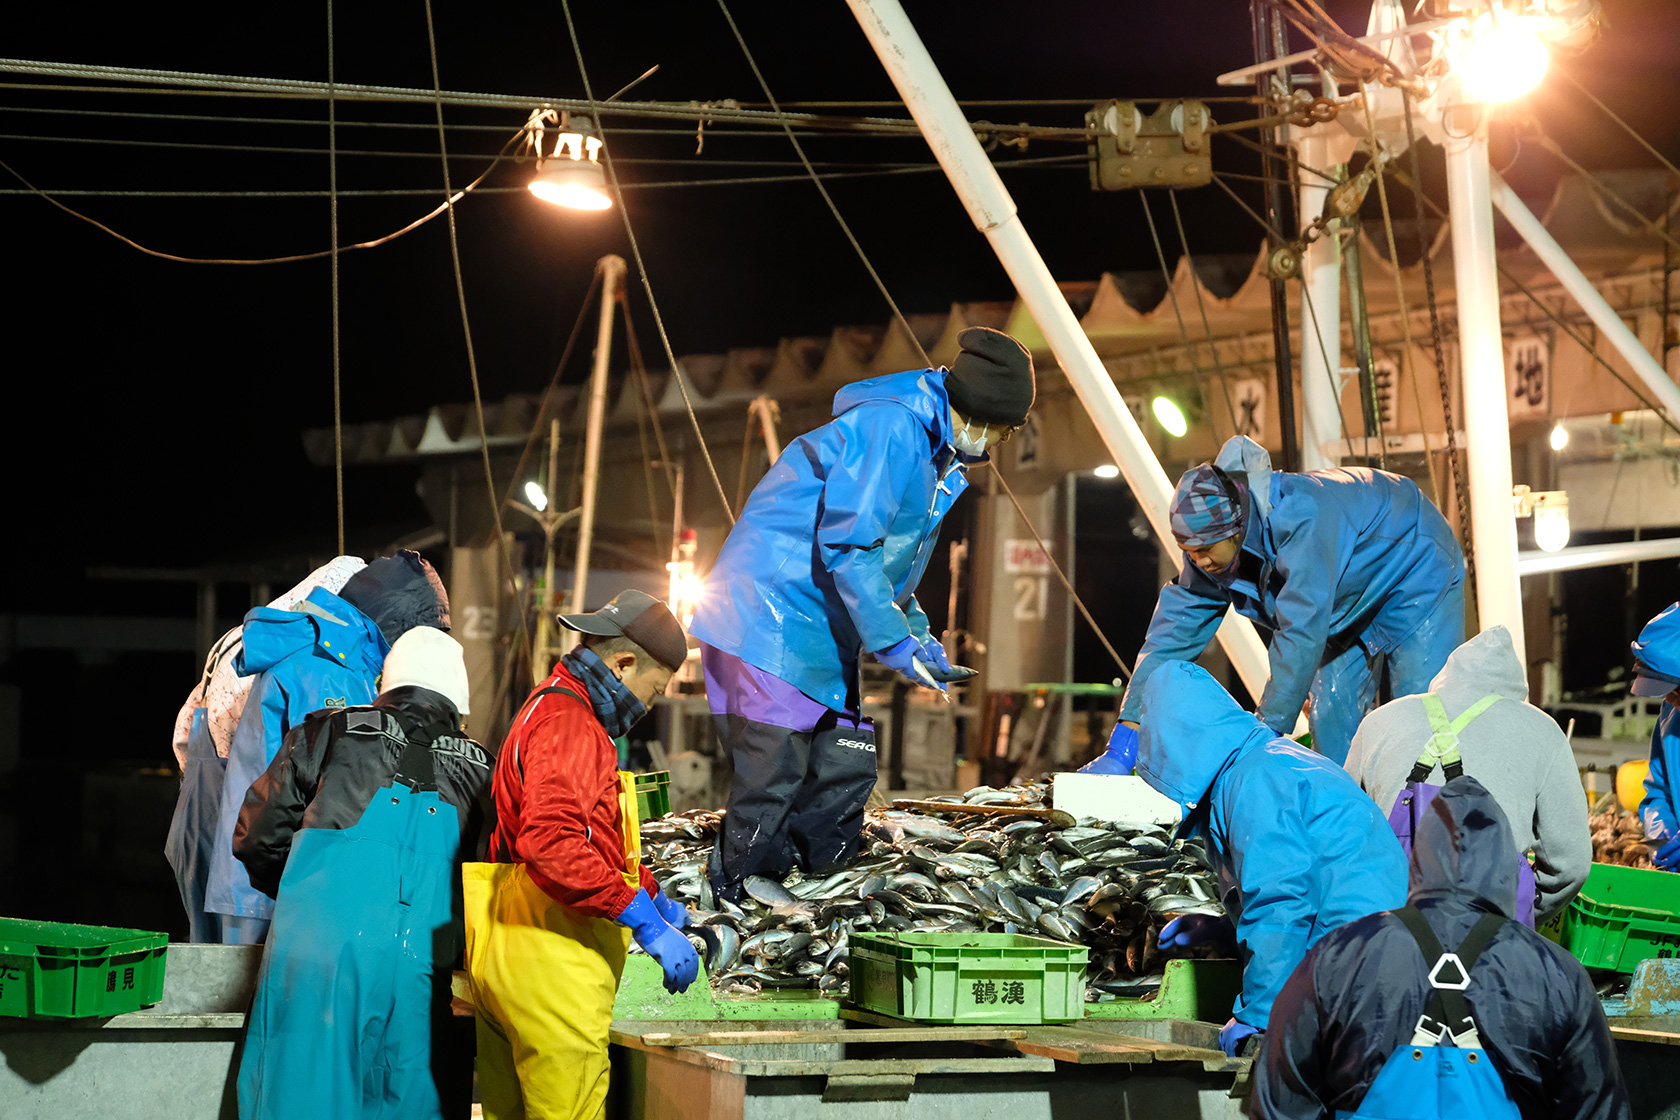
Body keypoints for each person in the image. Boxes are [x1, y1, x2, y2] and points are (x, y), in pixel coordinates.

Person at [690, 326, 1035, 903]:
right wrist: (893, 645)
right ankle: (738, 903)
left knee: (842, 770)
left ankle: (815, 899)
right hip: (770, 616)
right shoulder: (892, 427)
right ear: (981, 410)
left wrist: (919, 637)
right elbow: (850, 549)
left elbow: (891, 561)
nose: (1000, 441)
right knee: (774, 775)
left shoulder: (937, 451)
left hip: (817, 631)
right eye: (1004, 428)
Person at [1251, 777, 1630, 1120]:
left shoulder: (1338, 955)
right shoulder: (1558, 976)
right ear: (1506, 867)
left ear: (1417, 857)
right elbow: (1597, 1110)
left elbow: (1281, 1102)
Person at [232, 627, 491, 1120]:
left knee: (300, 1102)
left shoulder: (330, 731)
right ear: (458, 701)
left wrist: (302, 892)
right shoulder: (486, 769)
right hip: (426, 976)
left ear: (385, 685)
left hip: (322, 960)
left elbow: (256, 838)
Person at [463, 589, 698, 1120]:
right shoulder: (573, 724)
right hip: (551, 958)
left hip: (508, 947)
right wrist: (640, 918)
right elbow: (552, 841)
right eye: (654, 689)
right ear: (623, 662)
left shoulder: (544, 704)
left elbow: (592, 834)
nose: (650, 705)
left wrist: (655, 898)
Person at [1114, 435, 1464, 767]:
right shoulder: (1214, 546)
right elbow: (1171, 636)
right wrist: (1124, 740)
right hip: (1344, 600)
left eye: (1204, 550)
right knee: (1329, 714)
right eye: (1188, 553)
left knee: (1420, 720)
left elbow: (1301, 628)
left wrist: (1265, 732)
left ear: (1236, 528)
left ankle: (1424, 823)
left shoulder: (1302, 517)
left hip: (1416, 567)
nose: (1198, 562)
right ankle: (1340, 822)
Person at [1133, 659, 1407, 1057]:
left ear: (1176, 744)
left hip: (1356, 973)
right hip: (1373, 954)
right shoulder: (1266, 761)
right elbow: (1306, 882)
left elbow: (1281, 901)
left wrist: (1259, 1014)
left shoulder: (1254, 779)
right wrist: (1225, 930)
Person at [204, 549, 451, 944]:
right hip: (272, 889)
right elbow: (339, 795)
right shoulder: (332, 677)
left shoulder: (326, 660)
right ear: (398, 627)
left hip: (252, 877)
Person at [165, 556, 365, 943]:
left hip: (198, 810)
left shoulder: (243, 639)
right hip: (246, 831)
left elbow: (184, 735)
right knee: (243, 973)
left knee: (206, 961)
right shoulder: (302, 663)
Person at [1346, 625, 1591, 924]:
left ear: (1445, 676)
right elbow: (1571, 865)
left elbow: (1344, 834)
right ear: (1516, 689)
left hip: (1387, 922)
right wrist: (1522, 912)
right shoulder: (1543, 731)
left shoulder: (1379, 721)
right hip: (1489, 934)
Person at [1628, 602, 1680, 872]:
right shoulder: (1671, 716)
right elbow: (1657, 792)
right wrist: (1663, 835)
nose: (1668, 699)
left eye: (1675, 689)